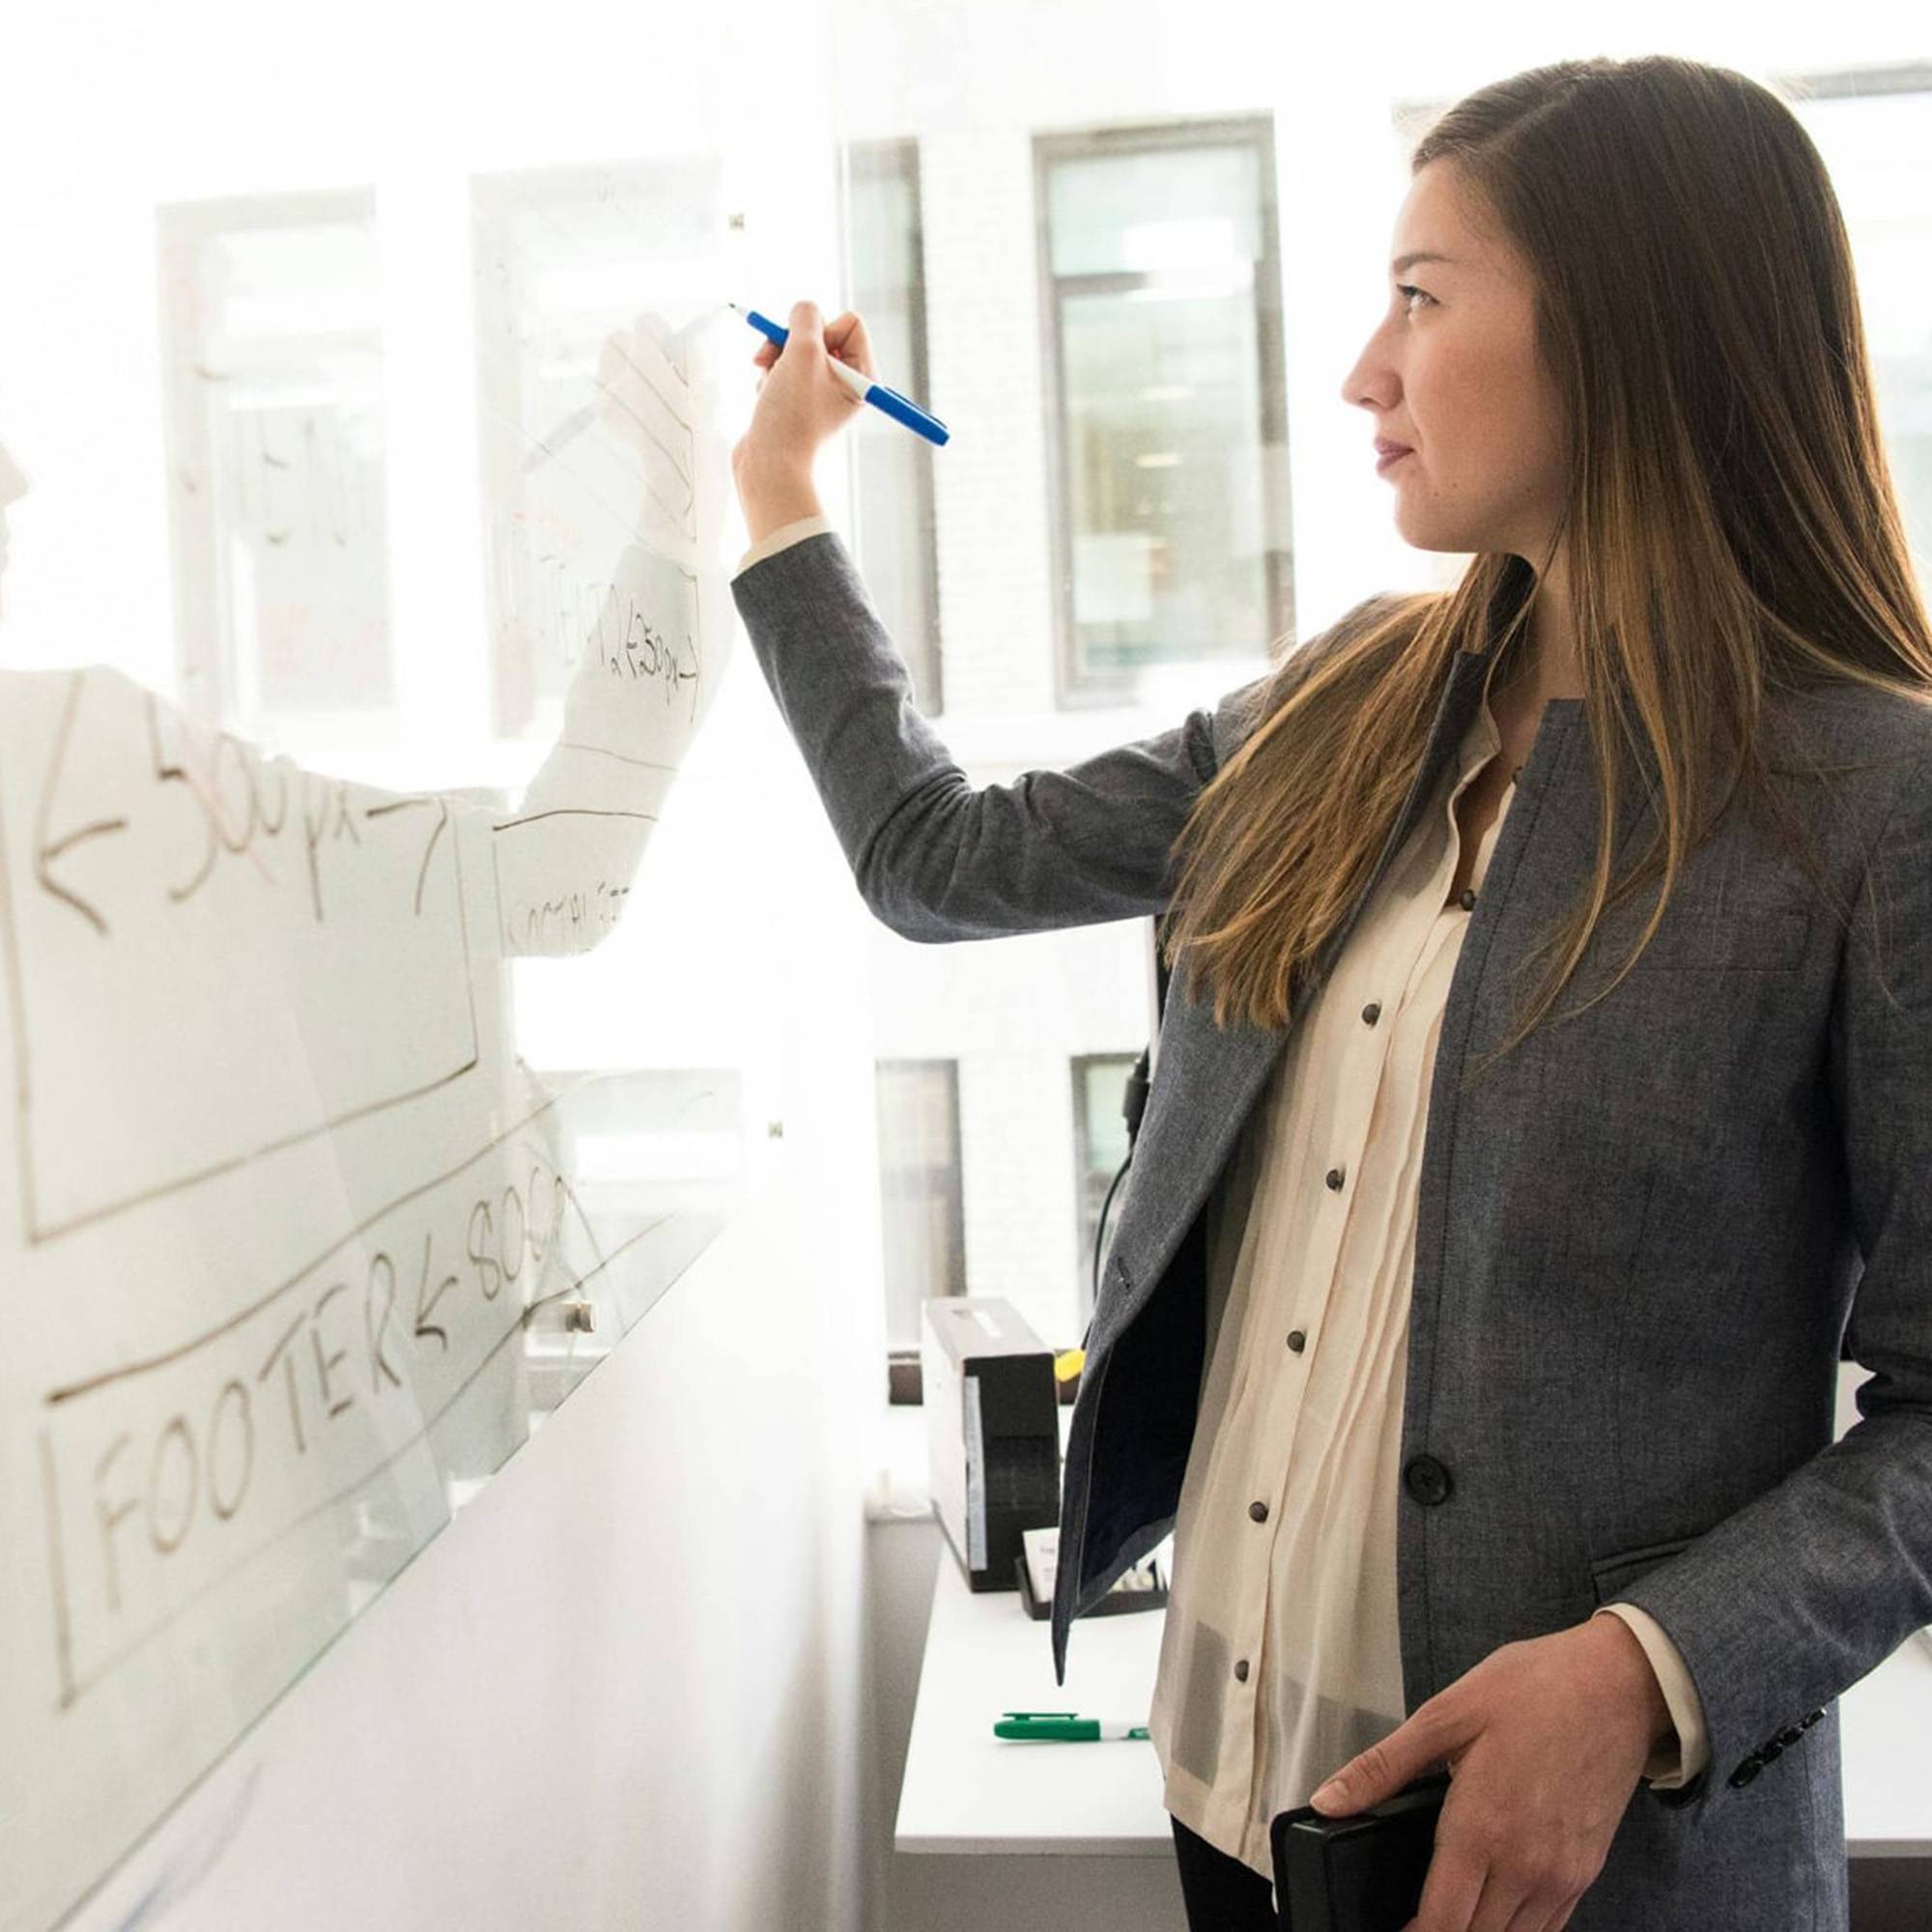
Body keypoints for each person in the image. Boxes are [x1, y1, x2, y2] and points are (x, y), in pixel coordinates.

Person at [727, 53, 1932, 1932]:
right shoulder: (1341, 704)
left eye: (1423, 298)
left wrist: (1645, 1669)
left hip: (1582, 1865)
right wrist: (782, 500)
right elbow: (934, 860)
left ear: (1633, 334)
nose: (1366, 371)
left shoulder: (1871, 802)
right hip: (1232, 1789)